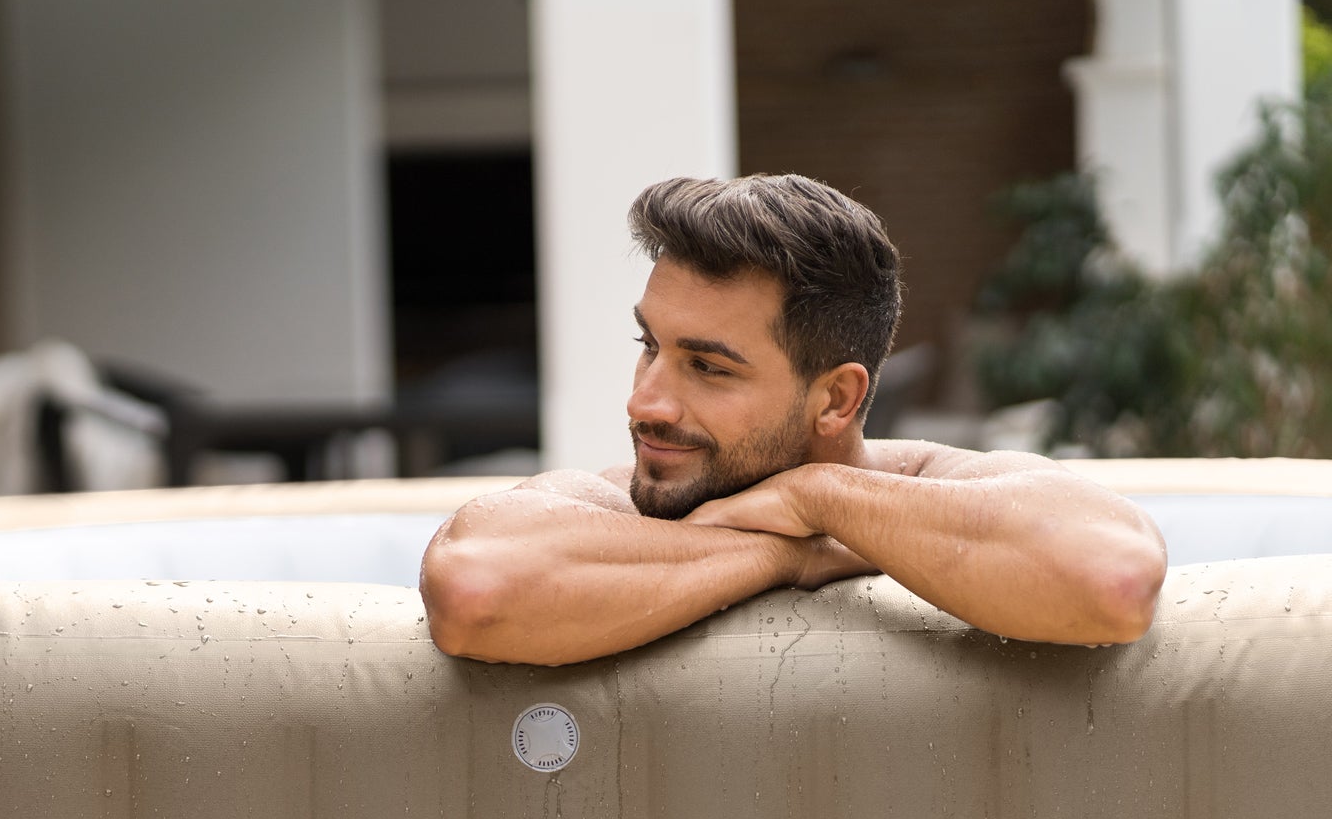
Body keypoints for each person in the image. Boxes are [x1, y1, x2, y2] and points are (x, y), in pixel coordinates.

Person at [419, 174, 1168, 666]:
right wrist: (790, 554)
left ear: (837, 399)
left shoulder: (942, 485)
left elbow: (1111, 580)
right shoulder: (617, 503)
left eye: (708, 367)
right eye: (651, 346)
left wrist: (819, 499)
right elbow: (475, 589)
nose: (646, 402)